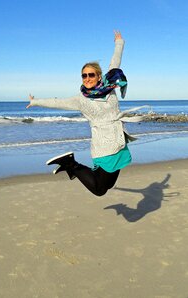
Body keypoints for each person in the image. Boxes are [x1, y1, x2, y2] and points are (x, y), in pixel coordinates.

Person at [26, 30, 144, 197]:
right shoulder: (81, 99)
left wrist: (119, 42)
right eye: (84, 76)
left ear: (98, 76)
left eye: (90, 75)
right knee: (99, 190)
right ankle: (71, 164)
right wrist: (36, 101)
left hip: (119, 142)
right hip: (104, 148)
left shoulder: (109, 86)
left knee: (108, 186)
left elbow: (115, 61)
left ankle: (72, 168)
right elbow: (58, 102)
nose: (87, 78)